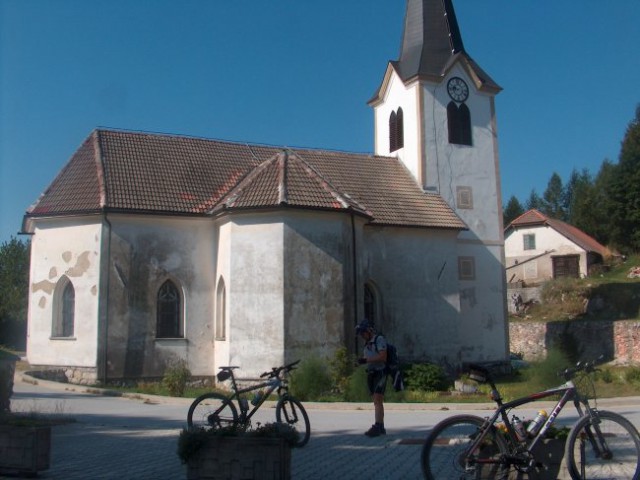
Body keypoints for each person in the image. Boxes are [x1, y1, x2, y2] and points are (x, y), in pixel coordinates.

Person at [356, 320, 387, 437]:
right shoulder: (367, 343)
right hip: (371, 373)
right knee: (376, 401)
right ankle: (381, 426)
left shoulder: (379, 340)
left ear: (369, 331)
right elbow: (367, 357)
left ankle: (378, 425)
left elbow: (383, 356)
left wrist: (366, 360)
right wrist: (361, 361)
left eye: (363, 333)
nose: (362, 336)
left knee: (378, 399)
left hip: (380, 372)